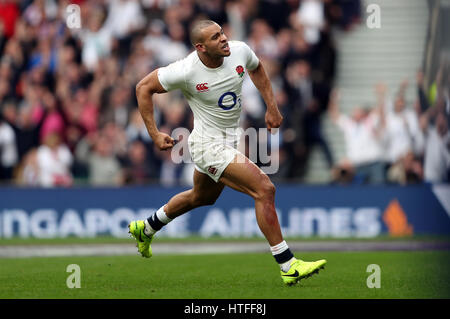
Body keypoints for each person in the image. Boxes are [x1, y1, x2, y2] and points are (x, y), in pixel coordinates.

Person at [128, 20, 326, 286]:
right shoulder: (186, 70)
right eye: (215, 37)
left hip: (229, 141)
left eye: (222, 32)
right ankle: (288, 265)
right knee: (264, 189)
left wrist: (272, 107)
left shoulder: (240, 51)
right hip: (207, 146)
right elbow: (143, 87)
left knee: (201, 197)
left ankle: (147, 227)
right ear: (201, 47)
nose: (224, 39)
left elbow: (257, 69)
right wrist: (153, 134)